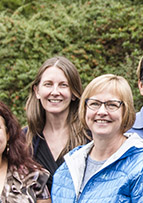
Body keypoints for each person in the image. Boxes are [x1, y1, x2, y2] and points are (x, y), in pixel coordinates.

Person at [50, 74, 143, 202]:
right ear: (84, 109)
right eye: (95, 103)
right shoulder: (69, 167)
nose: (102, 112)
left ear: (125, 112)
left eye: (112, 105)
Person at [25, 56, 89, 188]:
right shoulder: (23, 140)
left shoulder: (90, 138)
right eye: (48, 84)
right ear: (37, 91)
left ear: (73, 93)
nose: (55, 92)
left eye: (63, 85)